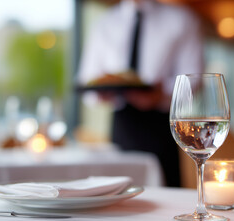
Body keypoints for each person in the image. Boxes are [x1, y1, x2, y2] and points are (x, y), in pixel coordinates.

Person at [78, 0, 204, 187]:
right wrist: (102, 92)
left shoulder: (181, 19)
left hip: (163, 124)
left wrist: (161, 93)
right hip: (121, 123)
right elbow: (86, 79)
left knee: (165, 190)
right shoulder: (105, 22)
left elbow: (195, 78)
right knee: (119, 192)